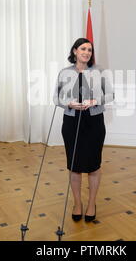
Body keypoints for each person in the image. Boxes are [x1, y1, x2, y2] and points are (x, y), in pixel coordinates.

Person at [53, 38, 114, 222]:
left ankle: (91, 204)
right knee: (75, 166)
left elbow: (111, 94)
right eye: (83, 49)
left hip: (94, 122)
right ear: (74, 51)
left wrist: (95, 101)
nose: (87, 52)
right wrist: (68, 103)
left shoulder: (100, 72)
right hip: (71, 122)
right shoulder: (64, 73)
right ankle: (78, 203)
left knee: (94, 166)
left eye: (89, 49)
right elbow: (56, 98)